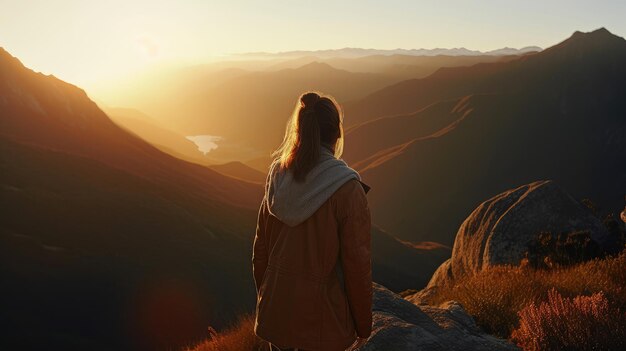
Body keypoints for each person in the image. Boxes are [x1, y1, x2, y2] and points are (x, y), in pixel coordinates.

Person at [252, 91, 373, 351]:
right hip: (323, 325)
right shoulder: (347, 189)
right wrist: (364, 326)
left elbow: (260, 252)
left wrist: (269, 300)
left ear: (300, 131)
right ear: (337, 134)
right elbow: (357, 266)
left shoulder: (277, 177)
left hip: (278, 315)